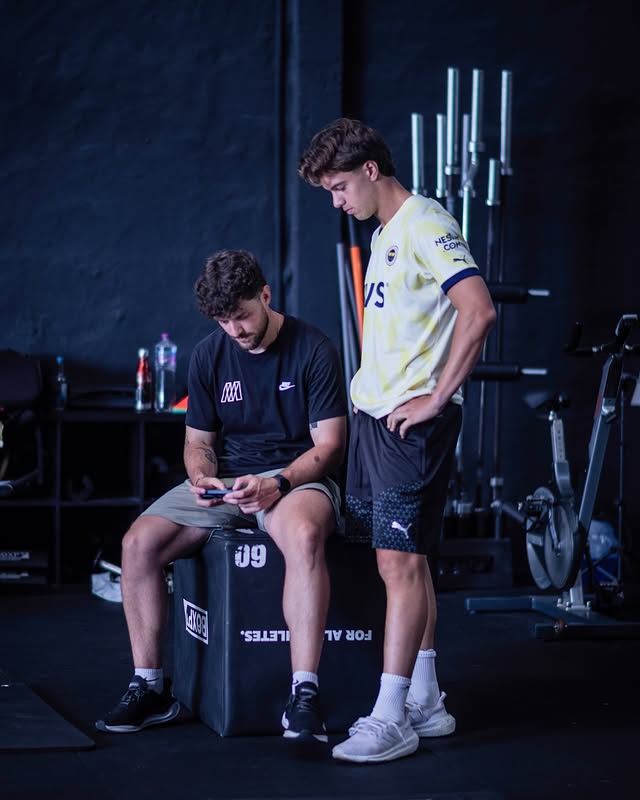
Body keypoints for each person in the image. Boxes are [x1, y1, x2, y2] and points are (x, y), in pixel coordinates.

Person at [298, 118, 496, 763]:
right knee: (404, 562)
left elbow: (479, 307)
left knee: (398, 565)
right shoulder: (386, 233)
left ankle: (391, 719)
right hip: (375, 420)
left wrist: (438, 397)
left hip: (413, 427)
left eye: (339, 186)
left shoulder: (425, 222)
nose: (337, 201)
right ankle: (428, 703)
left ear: (372, 170)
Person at [96, 249, 347, 743]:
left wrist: (278, 483)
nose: (236, 330)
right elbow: (198, 443)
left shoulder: (314, 348)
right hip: (229, 481)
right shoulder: (210, 354)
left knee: (303, 534)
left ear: (266, 296)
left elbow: (331, 446)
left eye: (243, 316)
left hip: (294, 478)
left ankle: (304, 695)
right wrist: (202, 477)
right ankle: (150, 687)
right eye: (224, 320)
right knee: (136, 544)